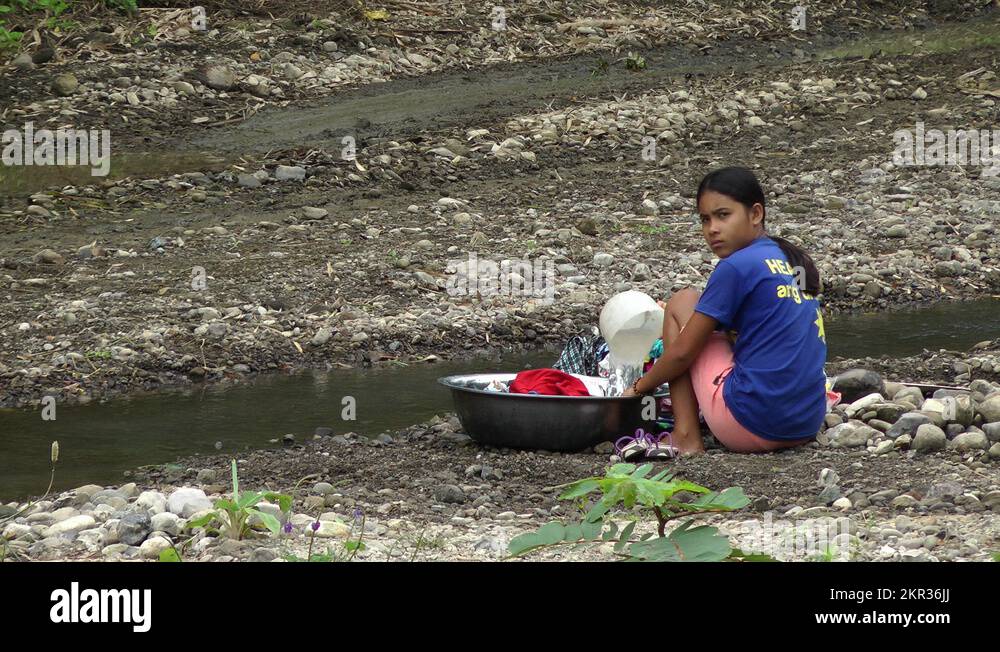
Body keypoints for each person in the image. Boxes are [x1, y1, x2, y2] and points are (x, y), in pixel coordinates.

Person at [623, 167, 828, 455]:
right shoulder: (791, 257)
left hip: (752, 427)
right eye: (705, 220)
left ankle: (685, 436)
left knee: (682, 303)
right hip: (805, 423)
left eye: (723, 215)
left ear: (755, 214)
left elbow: (682, 354)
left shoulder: (735, 266)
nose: (712, 229)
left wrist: (638, 388)